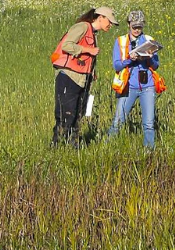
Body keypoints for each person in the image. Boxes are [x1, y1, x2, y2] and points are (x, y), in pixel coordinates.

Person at [50, 7, 119, 147]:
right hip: (69, 76)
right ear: (100, 17)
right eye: (109, 21)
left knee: (78, 114)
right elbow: (66, 45)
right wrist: (88, 50)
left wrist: (92, 72)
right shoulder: (82, 27)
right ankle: (57, 146)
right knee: (66, 114)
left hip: (83, 79)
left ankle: (73, 146)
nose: (110, 25)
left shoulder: (93, 34)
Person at [107, 10, 164, 149]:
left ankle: (149, 151)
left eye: (140, 27)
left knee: (149, 123)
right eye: (134, 27)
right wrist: (129, 59)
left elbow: (156, 66)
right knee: (118, 121)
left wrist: (150, 59)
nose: (137, 30)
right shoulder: (120, 41)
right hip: (128, 86)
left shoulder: (149, 40)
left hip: (147, 86)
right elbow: (116, 65)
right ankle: (106, 148)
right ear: (128, 25)